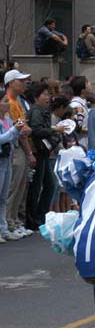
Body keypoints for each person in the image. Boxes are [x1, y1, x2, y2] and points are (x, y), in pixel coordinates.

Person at [26, 83, 67, 229]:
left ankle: (40, 216)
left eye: (48, 94)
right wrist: (54, 129)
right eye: (44, 94)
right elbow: (36, 130)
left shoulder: (43, 110)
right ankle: (34, 219)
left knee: (49, 185)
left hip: (43, 152)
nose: (47, 97)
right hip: (38, 152)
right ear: (36, 97)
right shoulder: (36, 111)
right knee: (38, 187)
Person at [2, 70, 35, 238]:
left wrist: (23, 127)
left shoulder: (18, 102)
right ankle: (8, 222)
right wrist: (23, 128)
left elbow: (24, 124)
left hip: (20, 146)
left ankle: (14, 221)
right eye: (19, 81)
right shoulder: (8, 101)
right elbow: (19, 127)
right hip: (14, 147)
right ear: (11, 83)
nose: (23, 83)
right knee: (13, 188)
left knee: (20, 186)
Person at [0, 98, 29, 242]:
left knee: (4, 197)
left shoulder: (7, 119)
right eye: (4, 101)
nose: (7, 104)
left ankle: (4, 230)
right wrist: (14, 129)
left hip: (8, 159)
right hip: (1, 159)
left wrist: (20, 130)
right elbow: (2, 138)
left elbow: (13, 137)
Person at [69, 76, 91, 148]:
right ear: (82, 91)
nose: (90, 84)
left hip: (86, 142)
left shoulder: (83, 102)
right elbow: (76, 127)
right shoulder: (75, 105)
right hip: (79, 143)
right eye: (87, 83)